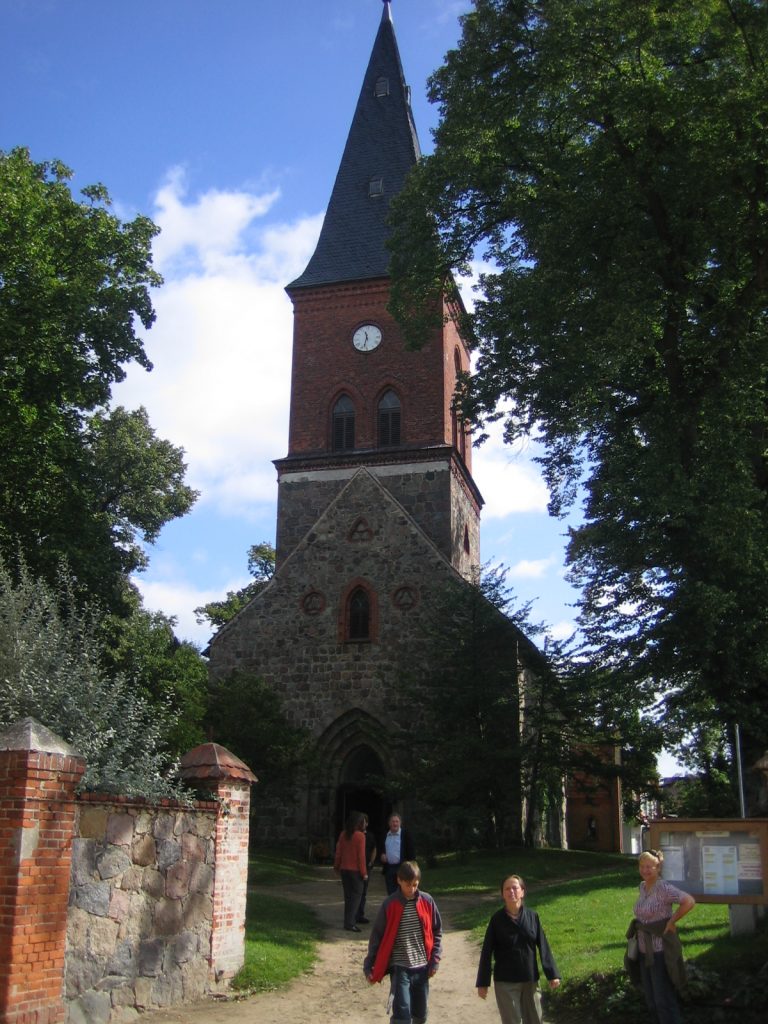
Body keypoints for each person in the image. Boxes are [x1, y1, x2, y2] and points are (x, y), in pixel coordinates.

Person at [364, 860, 442, 1024]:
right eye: (408, 884)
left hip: (422, 967)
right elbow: (377, 937)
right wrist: (369, 964)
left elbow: (437, 931)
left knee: (420, 1013)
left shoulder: (427, 901)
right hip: (400, 968)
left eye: (415, 884)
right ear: (399, 880)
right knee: (402, 1012)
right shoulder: (390, 904)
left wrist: (435, 959)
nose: (412, 889)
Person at [476, 874, 561, 1024]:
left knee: (535, 1019)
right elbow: (486, 952)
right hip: (506, 982)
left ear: (522, 891)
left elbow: (543, 945)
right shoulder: (497, 920)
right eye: (507, 889)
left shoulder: (532, 917)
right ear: (502, 894)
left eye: (515, 888)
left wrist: (552, 974)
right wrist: (483, 983)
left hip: (530, 979)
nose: (511, 892)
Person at [626, 849, 695, 1024]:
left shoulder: (663, 887)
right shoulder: (642, 887)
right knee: (650, 999)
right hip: (643, 950)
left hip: (659, 951)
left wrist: (671, 922)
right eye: (642, 866)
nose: (645, 870)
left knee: (663, 999)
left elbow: (688, 901)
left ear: (658, 867)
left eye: (649, 866)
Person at [333, 811, 368, 932]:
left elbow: (338, 852)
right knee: (356, 897)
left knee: (348, 897)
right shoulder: (360, 836)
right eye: (363, 822)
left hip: (344, 869)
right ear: (359, 823)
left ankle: (347, 922)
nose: (365, 824)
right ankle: (350, 923)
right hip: (355, 871)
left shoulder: (343, 834)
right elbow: (361, 857)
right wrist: (364, 873)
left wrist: (336, 866)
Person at [380, 812, 416, 895]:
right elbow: (381, 849)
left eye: (397, 821)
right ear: (389, 823)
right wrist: (382, 855)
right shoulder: (385, 835)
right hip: (389, 868)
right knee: (391, 893)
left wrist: (411, 868)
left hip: (402, 868)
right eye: (393, 821)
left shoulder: (405, 834)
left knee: (403, 892)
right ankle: (393, 908)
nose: (395, 823)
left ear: (400, 823)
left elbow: (411, 852)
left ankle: (403, 908)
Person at [357, 813, 378, 925]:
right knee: (356, 891)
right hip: (356, 868)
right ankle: (353, 914)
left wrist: (371, 862)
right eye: (361, 821)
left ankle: (360, 914)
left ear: (367, 823)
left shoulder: (370, 836)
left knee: (363, 892)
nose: (362, 824)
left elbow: (374, 849)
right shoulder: (354, 835)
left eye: (364, 822)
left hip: (367, 866)